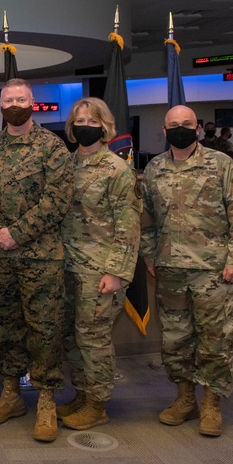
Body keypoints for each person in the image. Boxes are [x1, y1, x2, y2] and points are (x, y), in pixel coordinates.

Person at [141, 104, 233, 437]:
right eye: (173, 125)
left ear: (198, 129)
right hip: (170, 273)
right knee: (175, 341)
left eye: (187, 124)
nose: (180, 129)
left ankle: (211, 404)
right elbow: (146, 221)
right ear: (164, 132)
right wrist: (150, 256)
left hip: (213, 273)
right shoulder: (153, 169)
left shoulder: (222, 165)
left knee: (215, 341)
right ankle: (184, 399)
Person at [0, 77, 73, 442]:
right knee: (3, 327)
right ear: (1, 105)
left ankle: (46, 398)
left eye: (22, 98)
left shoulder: (53, 147)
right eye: (9, 98)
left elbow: (57, 199)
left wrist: (17, 232)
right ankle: (11, 394)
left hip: (41, 257)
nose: (15, 103)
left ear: (33, 103)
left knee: (45, 328)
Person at [57, 98, 141, 430]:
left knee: (93, 339)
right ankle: (80, 394)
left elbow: (129, 224)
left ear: (105, 127)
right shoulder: (64, 164)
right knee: (72, 337)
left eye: (92, 121)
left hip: (100, 271)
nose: (85, 126)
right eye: (79, 121)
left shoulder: (117, 169)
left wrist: (117, 272)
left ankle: (97, 403)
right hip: (66, 268)